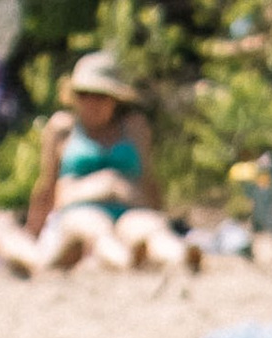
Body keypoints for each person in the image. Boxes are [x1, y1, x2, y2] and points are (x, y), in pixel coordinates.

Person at [26, 57, 200, 272]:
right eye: (83, 94)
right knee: (95, 229)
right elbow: (47, 185)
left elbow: (149, 178)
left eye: (100, 96)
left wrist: (160, 213)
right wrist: (32, 233)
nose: (91, 102)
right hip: (79, 209)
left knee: (150, 229)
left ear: (115, 99)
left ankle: (181, 257)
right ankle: (124, 260)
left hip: (130, 208)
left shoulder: (135, 127)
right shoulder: (62, 128)